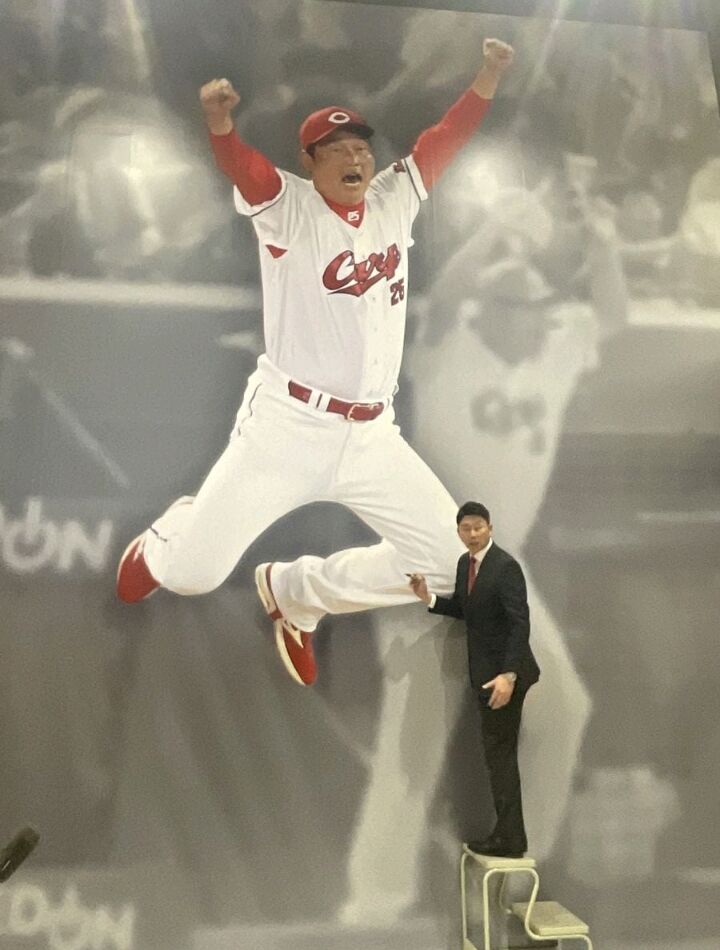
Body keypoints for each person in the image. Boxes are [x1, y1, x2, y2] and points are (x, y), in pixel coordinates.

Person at [115, 40, 515, 688]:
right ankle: (174, 531)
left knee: (460, 573)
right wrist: (220, 125)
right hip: (288, 427)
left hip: (372, 435)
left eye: (361, 148)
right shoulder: (288, 207)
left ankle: (300, 593)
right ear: (310, 161)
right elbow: (245, 169)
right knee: (193, 576)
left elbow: (447, 137)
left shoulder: (393, 198)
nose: (355, 157)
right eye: (337, 149)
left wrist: (487, 77)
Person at [410, 501, 539, 857]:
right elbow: (465, 610)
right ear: (459, 532)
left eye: (478, 527)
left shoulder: (505, 566)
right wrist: (429, 597)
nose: (472, 534)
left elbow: (519, 624)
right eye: (466, 528)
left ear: (490, 528)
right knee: (497, 758)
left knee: (501, 758)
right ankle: (508, 835)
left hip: (504, 677)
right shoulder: (464, 564)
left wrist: (508, 675)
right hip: (484, 675)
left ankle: (511, 839)